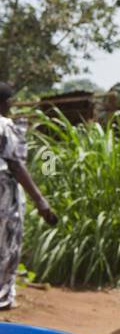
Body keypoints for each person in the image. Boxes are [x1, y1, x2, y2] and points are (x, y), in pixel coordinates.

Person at [0, 83, 58, 309]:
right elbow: (15, 163)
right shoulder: (4, 125)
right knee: (7, 244)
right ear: (5, 103)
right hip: (4, 194)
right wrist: (41, 201)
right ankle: (3, 298)